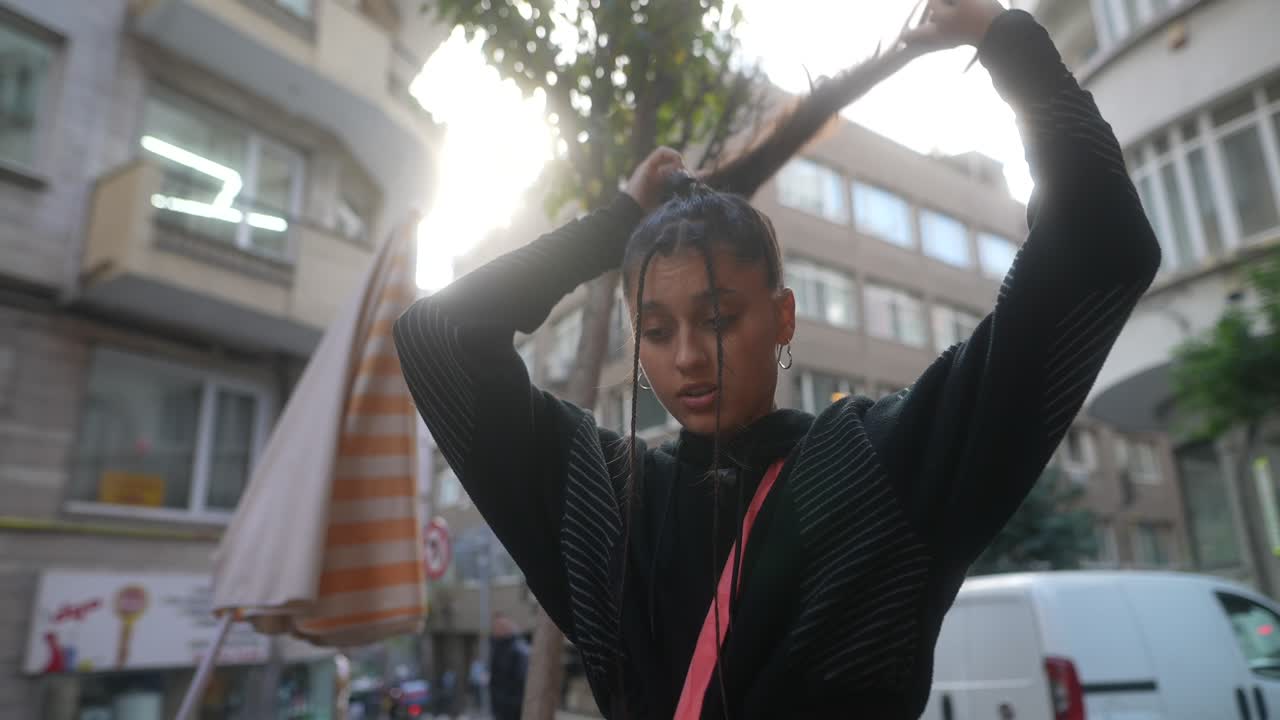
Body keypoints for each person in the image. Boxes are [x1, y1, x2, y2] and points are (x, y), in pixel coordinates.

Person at [394, 1, 1161, 717]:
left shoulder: (880, 466)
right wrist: (613, 225)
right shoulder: (606, 503)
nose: (689, 357)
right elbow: (437, 337)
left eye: (719, 317)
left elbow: (1100, 246)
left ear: (783, 315)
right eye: (657, 332)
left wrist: (1004, 38)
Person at [488, 613, 529, 720]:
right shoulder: (498, 647)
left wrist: (513, 703)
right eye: (495, 627)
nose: (495, 630)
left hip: (512, 707)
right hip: (500, 705)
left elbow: (521, 679)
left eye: (499, 626)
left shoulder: (517, 649)